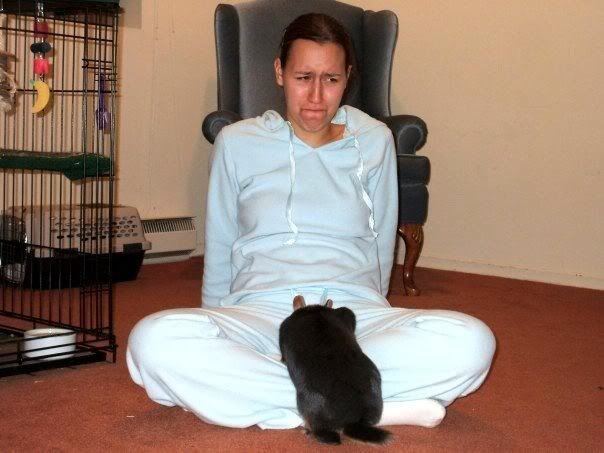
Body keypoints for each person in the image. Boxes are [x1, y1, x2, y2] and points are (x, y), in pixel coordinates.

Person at [127, 13, 496, 430]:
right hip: (260, 311)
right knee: (152, 340)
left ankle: (276, 396)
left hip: (350, 312)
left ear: (348, 78)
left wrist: (369, 311)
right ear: (279, 72)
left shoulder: (374, 140)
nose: (317, 96)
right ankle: (361, 402)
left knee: (472, 342)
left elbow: (381, 244)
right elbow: (221, 241)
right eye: (303, 77)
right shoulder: (238, 142)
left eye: (331, 79)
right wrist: (216, 322)